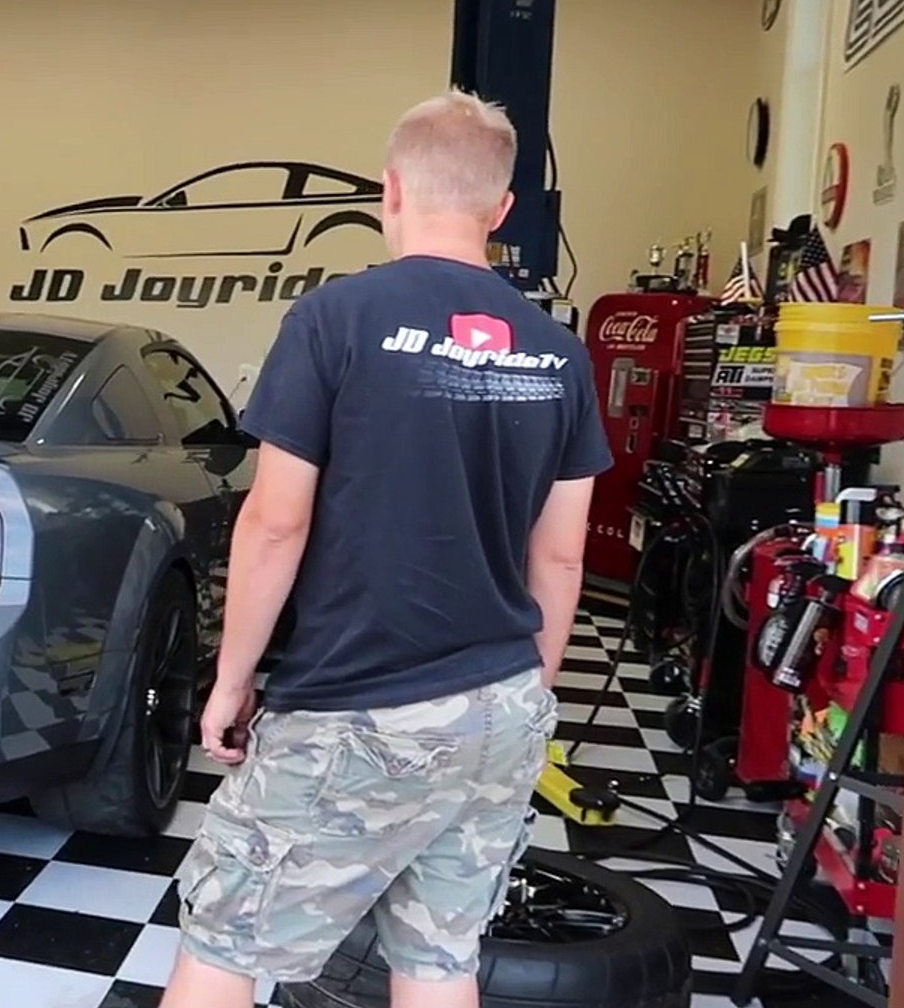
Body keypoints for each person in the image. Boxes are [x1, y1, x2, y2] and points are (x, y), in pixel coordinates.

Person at [160, 91, 612, 1008]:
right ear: (501, 209)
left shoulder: (334, 319)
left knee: (225, 943)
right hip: (500, 707)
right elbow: (562, 559)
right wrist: (524, 693)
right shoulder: (560, 352)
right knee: (438, 961)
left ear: (390, 190)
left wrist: (231, 679)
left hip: (359, 704)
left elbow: (275, 523)